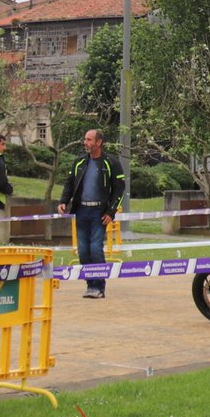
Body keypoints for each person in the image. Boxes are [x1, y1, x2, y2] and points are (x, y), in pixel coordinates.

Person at [58, 128, 126, 299]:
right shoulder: (79, 162)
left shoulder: (111, 163)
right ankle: (90, 285)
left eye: (89, 140)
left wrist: (111, 212)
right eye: (85, 139)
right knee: (83, 250)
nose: (85, 143)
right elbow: (69, 183)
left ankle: (99, 287)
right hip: (81, 211)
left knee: (95, 248)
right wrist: (63, 201)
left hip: (99, 213)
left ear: (99, 142)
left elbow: (119, 189)